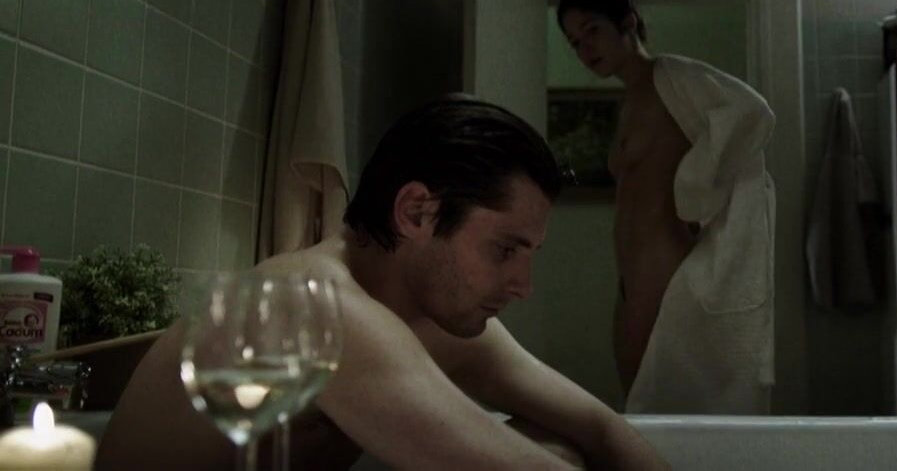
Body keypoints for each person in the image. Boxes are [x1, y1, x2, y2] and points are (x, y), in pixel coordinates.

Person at [97, 98, 670, 470]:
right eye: (504, 250)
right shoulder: (314, 303)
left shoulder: (433, 318)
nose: (523, 286)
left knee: (558, 442)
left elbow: (598, 427)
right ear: (417, 212)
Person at [557, 0, 776, 414]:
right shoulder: (631, 101)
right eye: (575, 42)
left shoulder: (672, 77)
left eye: (592, 31)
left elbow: (751, 111)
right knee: (642, 420)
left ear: (627, 21)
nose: (585, 49)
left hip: (667, 280)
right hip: (631, 288)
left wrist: (695, 194)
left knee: (667, 426)